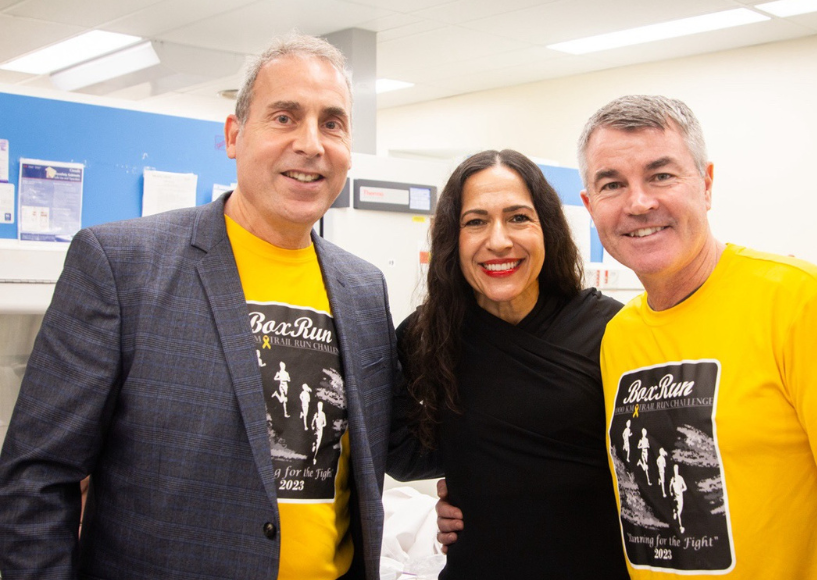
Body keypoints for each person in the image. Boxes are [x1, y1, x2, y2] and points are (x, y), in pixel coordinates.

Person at [0, 33, 398, 580]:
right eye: (284, 117)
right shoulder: (123, 267)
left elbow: (396, 440)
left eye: (332, 123)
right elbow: (36, 481)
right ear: (235, 135)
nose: (311, 143)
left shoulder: (364, 290)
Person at [576, 95, 817, 579]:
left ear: (705, 185)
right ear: (590, 205)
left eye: (661, 175)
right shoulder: (619, 335)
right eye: (612, 184)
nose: (639, 202)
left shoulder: (803, 302)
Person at [387, 149, 629, 580]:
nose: (498, 240)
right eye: (476, 221)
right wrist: (470, 481)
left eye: (518, 217)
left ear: (547, 230)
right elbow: (406, 454)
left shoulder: (610, 329)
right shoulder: (427, 335)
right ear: (452, 238)